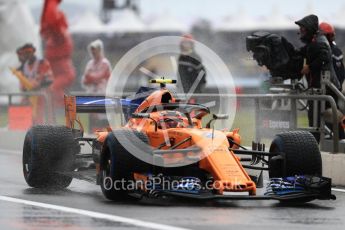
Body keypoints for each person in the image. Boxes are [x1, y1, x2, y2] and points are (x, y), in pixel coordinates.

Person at [295, 14, 342, 141]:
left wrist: (309, 67)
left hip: (325, 88)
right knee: (322, 120)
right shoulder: (315, 42)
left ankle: (318, 146)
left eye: (303, 29)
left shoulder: (320, 42)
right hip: (322, 88)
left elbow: (323, 58)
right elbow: (303, 51)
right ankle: (328, 143)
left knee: (319, 121)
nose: (300, 32)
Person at [21, 43, 54, 124]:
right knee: (28, 118)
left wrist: (38, 85)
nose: (27, 54)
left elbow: (50, 79)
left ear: (34, 51)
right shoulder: (24, 66)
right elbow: (23, 84)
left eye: (29, 52)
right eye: (25, 53)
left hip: (42, 95)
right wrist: (25, 87)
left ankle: (44, 133)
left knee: (43, 118)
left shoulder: (42, 63)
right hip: (30, 96)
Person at [319, 22, 345, 89]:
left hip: (331, 90)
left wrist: (336, 87)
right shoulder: (317, 49)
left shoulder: (335, 51)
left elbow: (340, 73)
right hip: (320, 88)